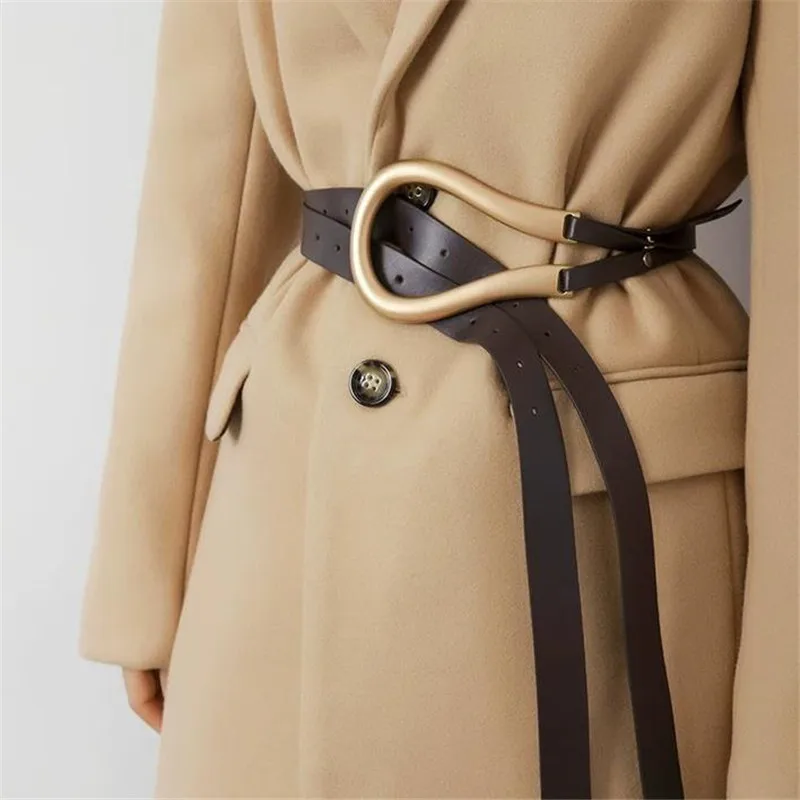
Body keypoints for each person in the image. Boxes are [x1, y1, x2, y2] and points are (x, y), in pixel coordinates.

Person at [80, 1, 798, 797]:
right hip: (282, 511)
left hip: (602, 515)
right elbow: (206, 164)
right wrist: (146, 564)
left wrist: (784, 738)